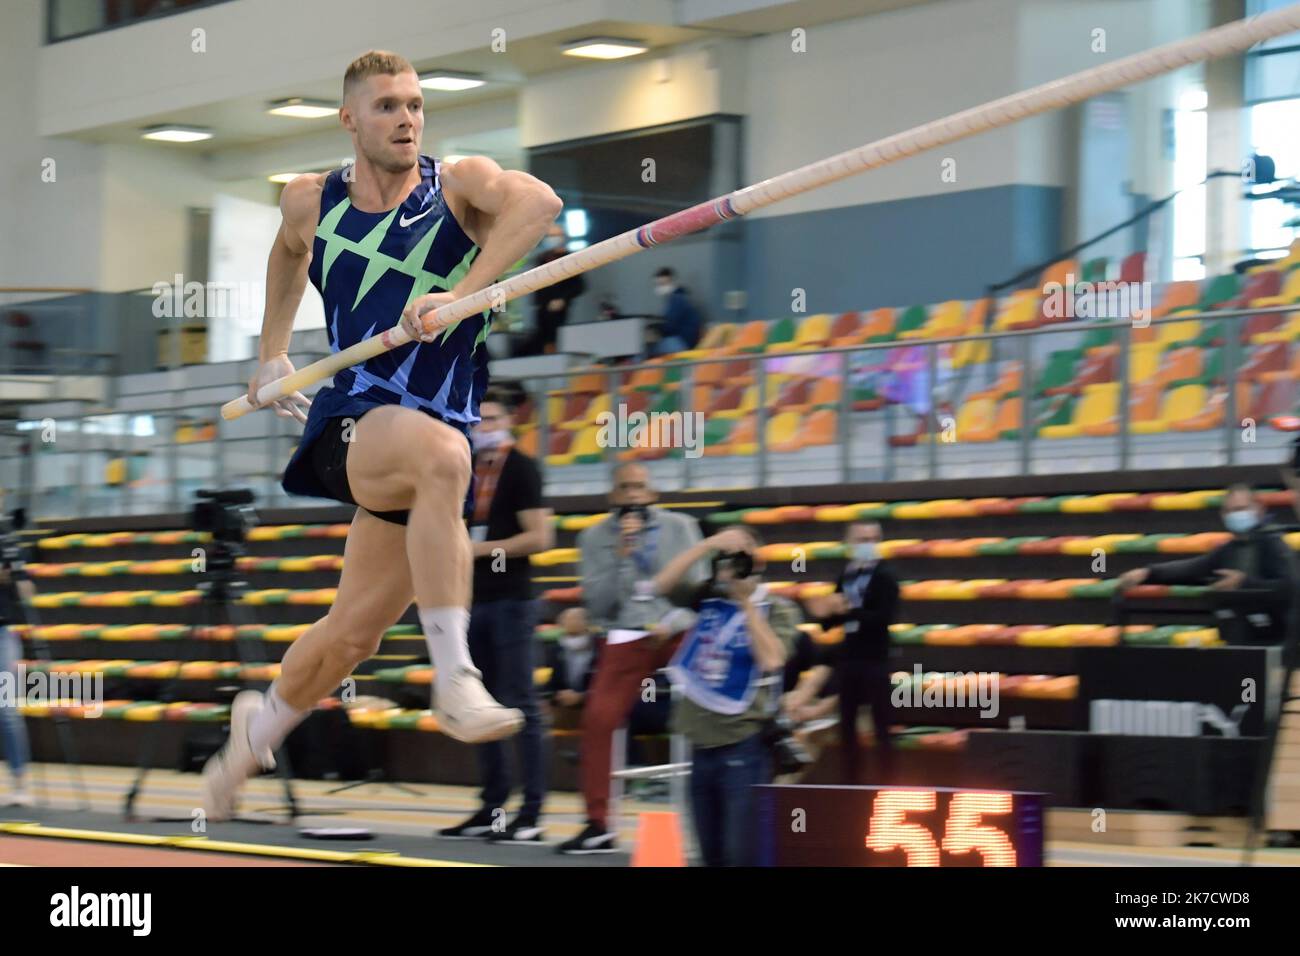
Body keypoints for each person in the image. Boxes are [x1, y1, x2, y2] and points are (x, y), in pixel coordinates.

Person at [201, 50, 563, 820]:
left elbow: (539, 206)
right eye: (389, 106)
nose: (407, 119)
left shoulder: (459, 185)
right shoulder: (310, 199)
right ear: (350, 119)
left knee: (349, 639)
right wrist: (272, 349)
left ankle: (246, 743)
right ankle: (455, 675)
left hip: (427, 442)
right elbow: (288, 253)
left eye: (416, 105)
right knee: (445, 457)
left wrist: (461, 297)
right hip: (355, 425)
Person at [558, 463, 708, 854]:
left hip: (677, 628)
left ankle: (717, 812)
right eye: (625, 488)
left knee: (714, 700)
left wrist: (673, 620)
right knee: (598, 718)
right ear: (613, 496)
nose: (633, 495)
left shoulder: (682, 528)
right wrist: (623, 556)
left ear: (653, 493)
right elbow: (598, 604)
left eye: (640, 487)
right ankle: (599, 823)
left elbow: (700, 595)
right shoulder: (594, 538)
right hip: (625, 632)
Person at [440, 390, 554, 844]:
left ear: (509, 420)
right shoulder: (461, 470)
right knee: (480, 705)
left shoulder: (522, 468)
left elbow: (540, 537)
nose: (482, 426)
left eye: (491, 419)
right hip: (472, 600)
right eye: (477, 419)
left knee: (520, 702)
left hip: (511, 599)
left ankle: (532, 810)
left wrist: (479, 550)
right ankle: (491, 807)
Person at [655, 525, 800, 866]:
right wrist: (707, 544)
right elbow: (660, 585)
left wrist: (746, 602)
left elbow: (772, 659)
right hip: (700, 745)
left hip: (743, 746)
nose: (732, 567)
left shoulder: (777, 608)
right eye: (727, 559)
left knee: (741, 854)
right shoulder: (708, 598)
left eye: (742, 558)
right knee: (710, 854)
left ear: (758, 562)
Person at [1116, 484, 1297, 646]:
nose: (1237, 515)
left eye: (1242, 509)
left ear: (1259, 510)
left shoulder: (1273, 544)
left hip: (1274, 638)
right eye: (1231, 511)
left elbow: (1290, 588)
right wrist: (1148, 572)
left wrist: (1246, 584)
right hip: (1239, 635)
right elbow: (1192, 567)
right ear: (1223, 515)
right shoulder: (1228, 550)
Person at [804, 520, 899, 785]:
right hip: (850, 658)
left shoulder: (885, 575)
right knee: (847, 726)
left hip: (876, 658)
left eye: (872, 539)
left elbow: (883, 617)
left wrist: (847, 611)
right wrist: (823, 613)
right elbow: (833, 618)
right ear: (849, 543)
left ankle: (887, 784)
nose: (868, 545)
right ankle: (851, 783)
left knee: (881, 726)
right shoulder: (846, 575)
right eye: (862, 539)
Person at [0, 503, 33, 807]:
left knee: (6, 708)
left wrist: (13, 574)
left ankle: (20, 781)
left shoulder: (6, 539)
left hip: (3, 632)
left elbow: (28, 591)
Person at [515, 225, 586, 356]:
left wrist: (563, 299)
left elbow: (579, 285)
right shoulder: (541, 259)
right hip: (542, 309)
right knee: (539, 339)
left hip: (560, 312)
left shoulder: (570, 259)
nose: (552, 239)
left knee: (556, 337)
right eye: (550, 236)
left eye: (555, 236)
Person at [542, 607, 600, 731]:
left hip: (594, 706)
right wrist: (556, 695)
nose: (572, 622)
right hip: (563, 708)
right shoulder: (555, 650)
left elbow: (606, 685)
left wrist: (581, 697)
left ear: (587, 622)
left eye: (577, 618)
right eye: (568, 619)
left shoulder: (600, 648)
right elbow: (550, 685)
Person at [650, 267, 702, 355]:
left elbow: (670, 326)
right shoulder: (679, 298)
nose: (661, 287)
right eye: (659, 284)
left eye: (664, 283)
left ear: (673, 282)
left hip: (682, 342)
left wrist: (655, 329)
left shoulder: (677, 300)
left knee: (649, 348)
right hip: (684, 341)